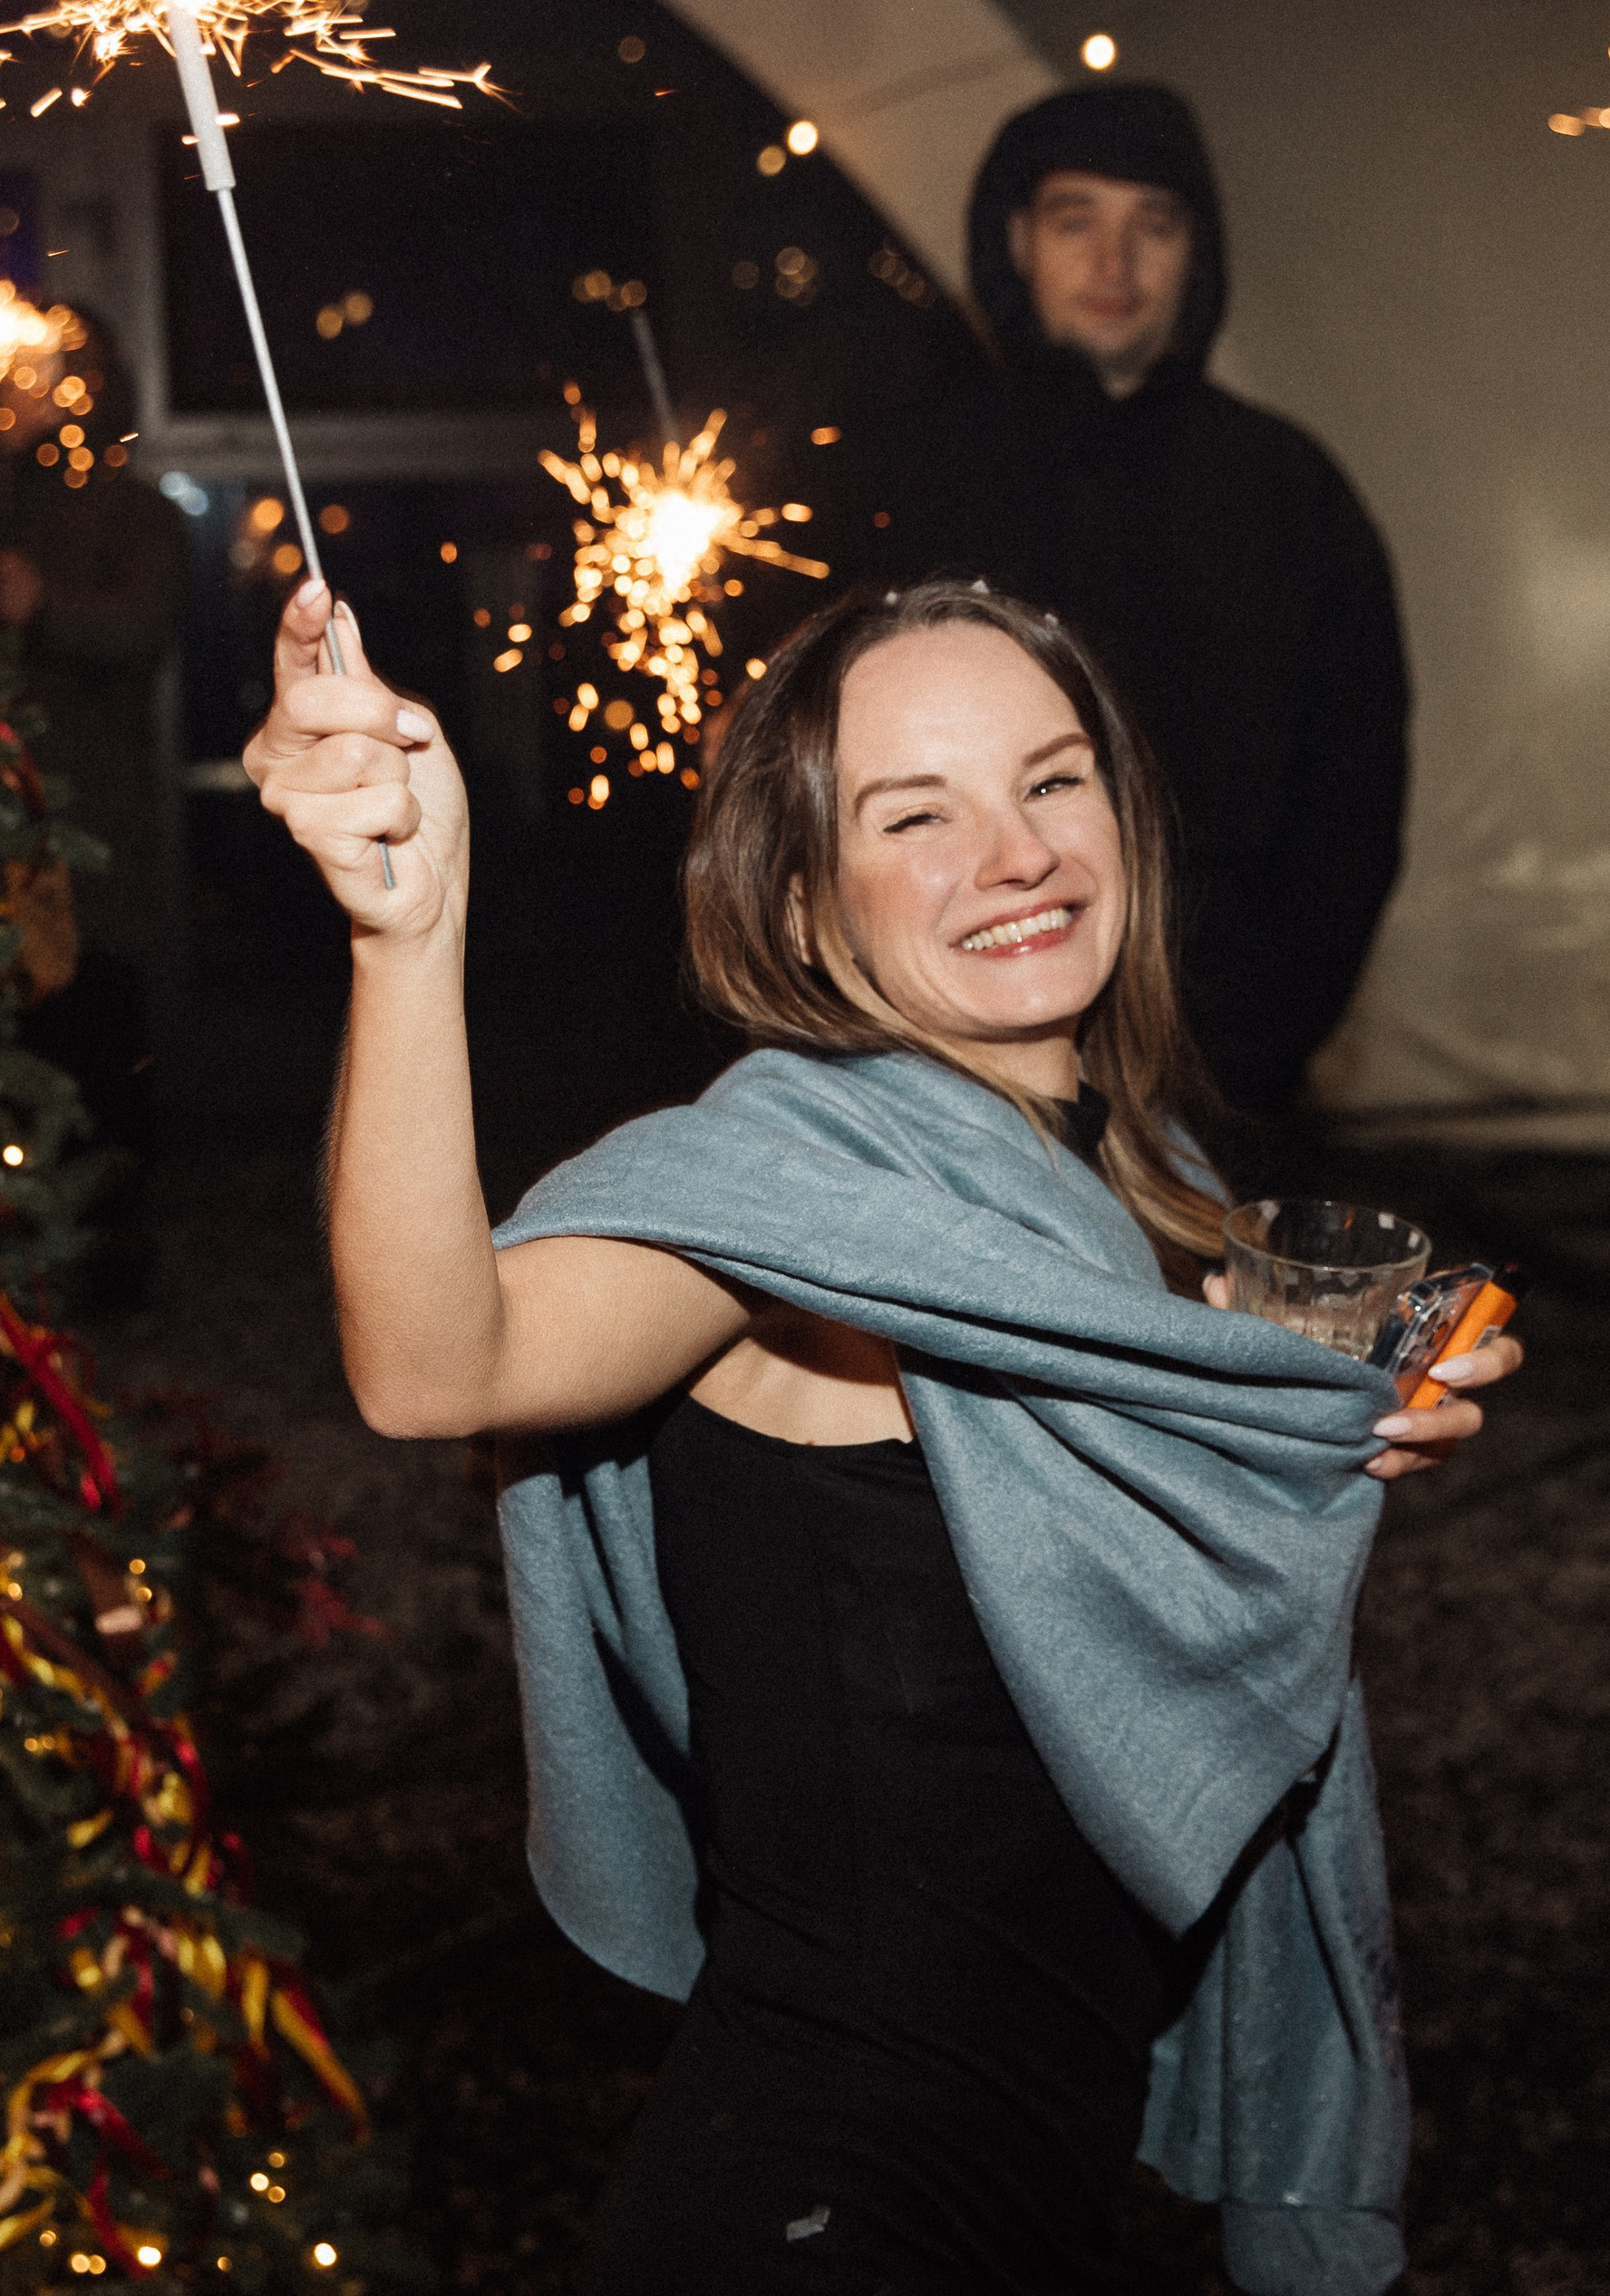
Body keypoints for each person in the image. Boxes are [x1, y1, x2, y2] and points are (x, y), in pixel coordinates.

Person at [244, 575, 1516, 2296]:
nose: (1021, 854)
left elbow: (1118, 1529)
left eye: (1053, 781)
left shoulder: (1143, 1184)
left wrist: (1295, 1423)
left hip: (1035, 2185)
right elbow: (432, 1365)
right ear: (800, 899)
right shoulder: (792, 1190)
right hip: (827, 2203)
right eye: (917, 816)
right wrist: (407, 938)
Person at [939, 82, 1410, 1130]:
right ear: (1016, 239)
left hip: (1226, 1086)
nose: (1114, 265)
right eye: (1077, 221)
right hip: (948, 1079)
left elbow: (1354, 798)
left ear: (1197, 251)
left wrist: (1248, 1051)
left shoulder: (1289, 492)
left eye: (1152, 226)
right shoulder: (914, 474)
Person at [0, 307, 189, 1305]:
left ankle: (112, 1258)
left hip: (99, 823)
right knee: (8, 1038)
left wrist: (46, 610)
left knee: (102, 1038)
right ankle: (2, 1260)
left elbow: (141, 628)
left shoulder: (140, 513)